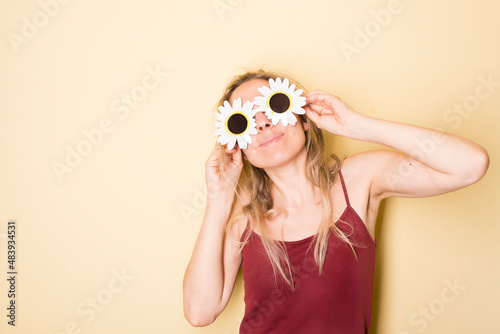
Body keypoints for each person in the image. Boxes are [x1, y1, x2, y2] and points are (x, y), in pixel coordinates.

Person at [182, 69, 489, 333]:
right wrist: (219, 199)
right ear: (240, 148)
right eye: (244, 121)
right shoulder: (242, 218)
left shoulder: (358, 181)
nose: (262, 123)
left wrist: (356, 125)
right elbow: (199, 311)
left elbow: (470, 164)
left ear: (303, 119)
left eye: (273, 106)